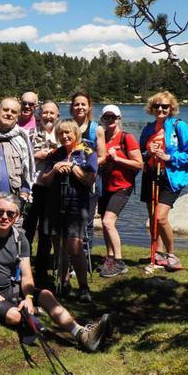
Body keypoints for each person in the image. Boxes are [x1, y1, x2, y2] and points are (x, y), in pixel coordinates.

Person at [0, 194, 112, 352]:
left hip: (9, 289)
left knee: (46, 295)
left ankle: (81, 334)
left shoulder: (20, 239)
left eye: (10, 213)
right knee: (15, 316)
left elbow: (27, 275)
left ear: (17, 216)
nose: (4, 217)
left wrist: (28, 298)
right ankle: (31, 321)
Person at [41, 119, 98, 301]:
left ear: (76, 133)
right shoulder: (56, 153)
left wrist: (73, 167)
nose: (64, 136)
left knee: (74, 246)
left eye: (68, 133)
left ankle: (83, 287)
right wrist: (55, 169)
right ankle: (64, 282)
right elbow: (46, 181)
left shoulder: (87, 152)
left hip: (77, 203)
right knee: (59, 246)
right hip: (55, 203)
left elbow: (90, 180)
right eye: (61, 133)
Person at [140, 91, 188, 272]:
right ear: (151, 108)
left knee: (160, 217)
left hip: (171, 177)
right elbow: (140, 153)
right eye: (156, 106)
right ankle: (157, 253)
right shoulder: (148, 128)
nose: (160, 109)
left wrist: (167, 156)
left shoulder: (180, 126)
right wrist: (149, 153)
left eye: (164, 106)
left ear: (171, 108)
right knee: (152, 217)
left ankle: (171, 254)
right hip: (150, 174)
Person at [97, 105, 142, 277]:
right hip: (104, 186)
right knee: (104, 222)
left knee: (108, 222)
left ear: (119, 119)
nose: (110, 120)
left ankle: (119, 261)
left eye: (113, 117)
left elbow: (139, 164)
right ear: (102, 119)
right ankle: (109, 258)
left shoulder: (126, 138)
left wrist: (117, 158)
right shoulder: (101, 138)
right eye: (106, 117)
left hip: (122, 186)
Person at [22, 100, 61, 285]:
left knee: (46, 230)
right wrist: (35, 155)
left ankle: (42, 269)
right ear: (39, 114)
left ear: (57, 115)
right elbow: (23, 156)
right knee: (28, 227)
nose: (48, 116)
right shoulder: (29, 133)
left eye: (51, 113)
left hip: (52, 188)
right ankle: (23, 265)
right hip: (33, 186)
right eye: (45, 112)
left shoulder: (62, 134)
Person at [69, 91, 106, 272]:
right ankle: (69, 258)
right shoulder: (66, 126)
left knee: (87, 221)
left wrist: (86, 165)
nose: (80, 107)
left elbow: (102, 156)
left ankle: (84, 258)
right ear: (71, 107)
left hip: (90, 180)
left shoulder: (95, 129)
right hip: (69, 181)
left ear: (89, 107)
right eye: (76, 104)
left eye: (83, 104)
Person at [0, 97, 35, 205]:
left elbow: (28, 171)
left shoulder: (22, 140)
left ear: (17, 117)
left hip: (11, 204)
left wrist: (23, 197)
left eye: (13, 112)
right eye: (5, 110)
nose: (9, 114)